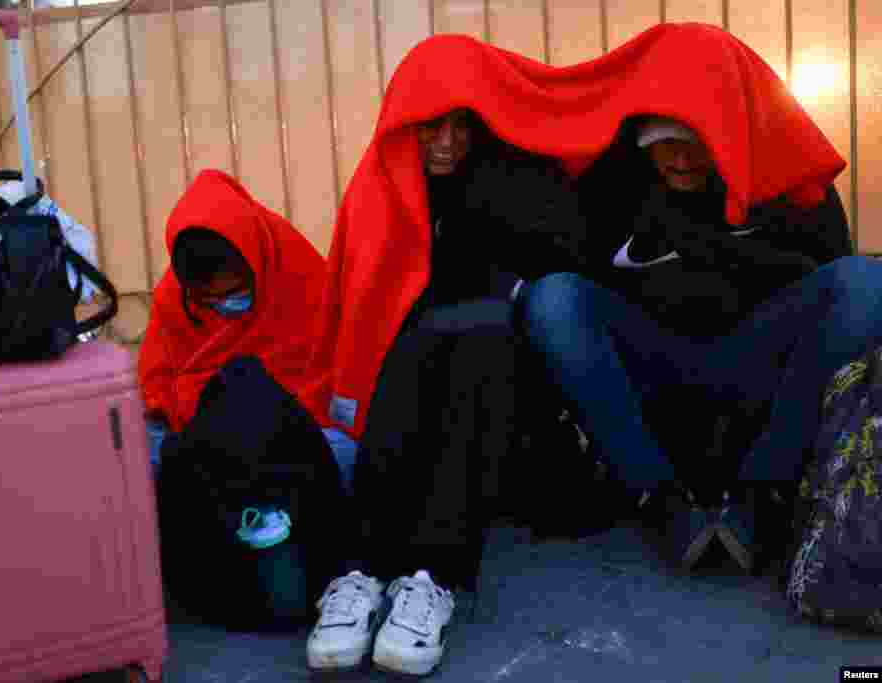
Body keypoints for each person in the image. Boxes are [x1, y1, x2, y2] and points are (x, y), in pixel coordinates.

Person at [300, 51, 592, 676]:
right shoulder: (377, 186)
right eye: (431, 126)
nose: (447, 142)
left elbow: (559, 255)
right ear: (405, 124)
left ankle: (431, 577)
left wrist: (490, 270)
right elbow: (359, 302)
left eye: (462, 125)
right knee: (430, 345)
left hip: (494, 365)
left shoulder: (511, 177)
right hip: (404, 362)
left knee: (479, 331)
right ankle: (364, 573)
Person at [522, 108, 882, 573]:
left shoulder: (789, 182)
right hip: (655, 362)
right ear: (643, 144)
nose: (683, 157)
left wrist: (732, 252)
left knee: (865, 279)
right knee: (553, 296)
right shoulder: (610, 187)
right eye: (667, 142)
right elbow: (566, 277)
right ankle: (658, 497)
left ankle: (764, 494)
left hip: (756, 359)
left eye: (699, 141)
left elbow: (841, 281)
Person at [138, 169, 327, 479]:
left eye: (234, 293)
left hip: (296, 417)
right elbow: (156, 382)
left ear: (256, 265)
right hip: (206, 429)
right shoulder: (175, 298)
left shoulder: (296, 271)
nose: (224, 305)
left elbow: (330, 368)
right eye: (209, 300)